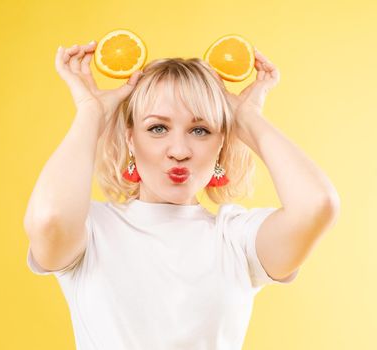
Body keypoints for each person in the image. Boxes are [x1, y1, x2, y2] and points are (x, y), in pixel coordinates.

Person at [23, 40, 340, 350]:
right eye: (158, 128)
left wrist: (246, 118)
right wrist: (90, 114)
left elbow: (316, 205)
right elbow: (49, 218)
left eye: (200, 130)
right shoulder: (91, 230)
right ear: (130, 139)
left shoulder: (236, 237)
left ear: (221, 143)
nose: (179, 151)